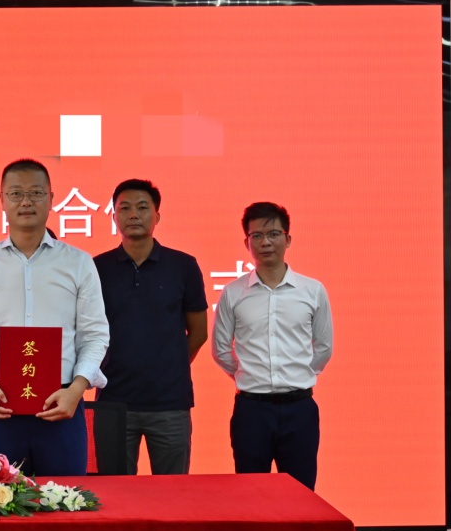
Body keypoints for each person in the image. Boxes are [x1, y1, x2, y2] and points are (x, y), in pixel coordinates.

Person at [0, 159, 109, 476]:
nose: (26, 202)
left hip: (61, 406)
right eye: (16, 193)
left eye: (36, 193)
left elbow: (95, 336)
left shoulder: (78, 263)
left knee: (66, 500)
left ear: (51, 198)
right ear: (1, 200)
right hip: (0, 407)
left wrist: (76, 390)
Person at [211, 202, 333, 490]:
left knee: (302, 495)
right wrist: (249, 375)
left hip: (299, 409)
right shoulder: (233, 293)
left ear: (287, 239)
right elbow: (220, 349)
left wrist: (297, 373)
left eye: (274, 234)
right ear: (247, 243)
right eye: (257, 236)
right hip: (252, 410)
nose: (265, 242)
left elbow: (323, 347)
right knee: (251, 496)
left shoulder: (312, 290)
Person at [94, 179, 208, 475]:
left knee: (173, 493)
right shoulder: (96, 268)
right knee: (115, 493)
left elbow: (199, 332)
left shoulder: (183, 266)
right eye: (125, 208)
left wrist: (170, 365)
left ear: (157, 215)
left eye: (143, 207)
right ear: (114, 216)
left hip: (170, 403)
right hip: (113, 401)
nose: (134, 214)